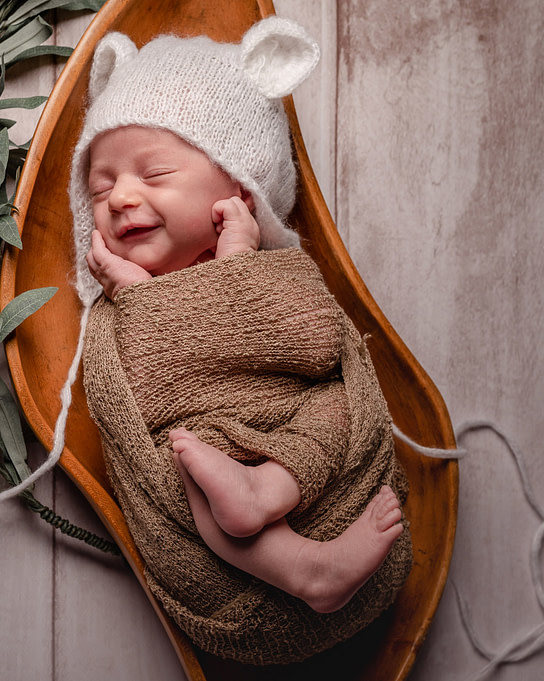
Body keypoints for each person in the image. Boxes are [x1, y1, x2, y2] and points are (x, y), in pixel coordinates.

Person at [60, 17, 414, 665]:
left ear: (238, 188)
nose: (119, 198)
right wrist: (136, 294)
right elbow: (143, 394)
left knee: (335, 410)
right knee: (184, 461)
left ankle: (270, 491)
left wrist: (242, 268)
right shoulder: (124, 299)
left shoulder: (258, 258)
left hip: (295, 414)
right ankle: (302, 566)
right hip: (209, 436)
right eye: (101, 185)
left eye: (155, 173)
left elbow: (312, 345)